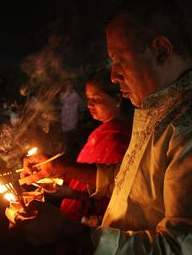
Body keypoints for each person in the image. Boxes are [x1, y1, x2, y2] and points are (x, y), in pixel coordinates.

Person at [10, 0, 192, 254]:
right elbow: (131, 182)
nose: (114, 75)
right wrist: (61, 169)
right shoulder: (163, 110)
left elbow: (186, 249)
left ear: (161, 50)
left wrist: (68, 231)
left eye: (119, 59)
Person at [51, 68, 132, 254]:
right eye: (87, 98)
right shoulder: (101, 132)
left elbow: (112, 188)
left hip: (96, 227)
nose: (89, 104)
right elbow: (83, 185)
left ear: (118, 99)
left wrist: (62, 168)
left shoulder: (119, 138)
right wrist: (55, 182)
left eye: (96, 99)